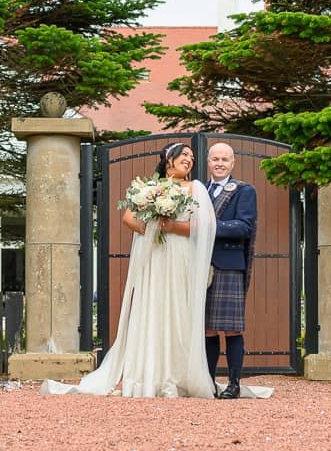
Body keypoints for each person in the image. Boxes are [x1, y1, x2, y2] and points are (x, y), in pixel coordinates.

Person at [71, 141, 216, 398]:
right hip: (155, 256)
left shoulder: (196, 188)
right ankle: (148, 375)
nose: (189, 160)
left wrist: (170, 227)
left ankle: (178, 376)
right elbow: (128, 218)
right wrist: (150, 229)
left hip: (180, 256)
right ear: (168, 159)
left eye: (192, 157)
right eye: (184, 155)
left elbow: (202, 227)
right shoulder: (150, 187)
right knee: (153, 307)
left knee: (178, 309)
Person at [204, 140, 257, 399]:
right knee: (207, 329)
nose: (220, 163)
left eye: (225, 159)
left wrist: (210, 226)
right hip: (200, 266)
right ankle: (208, 381)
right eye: (215, 159)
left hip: (229, 265)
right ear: (208, 162)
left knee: (232, 328)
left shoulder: (244, 191)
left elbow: (244, 227)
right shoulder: (199, 190)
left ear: (233, 163)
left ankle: (234, 384)